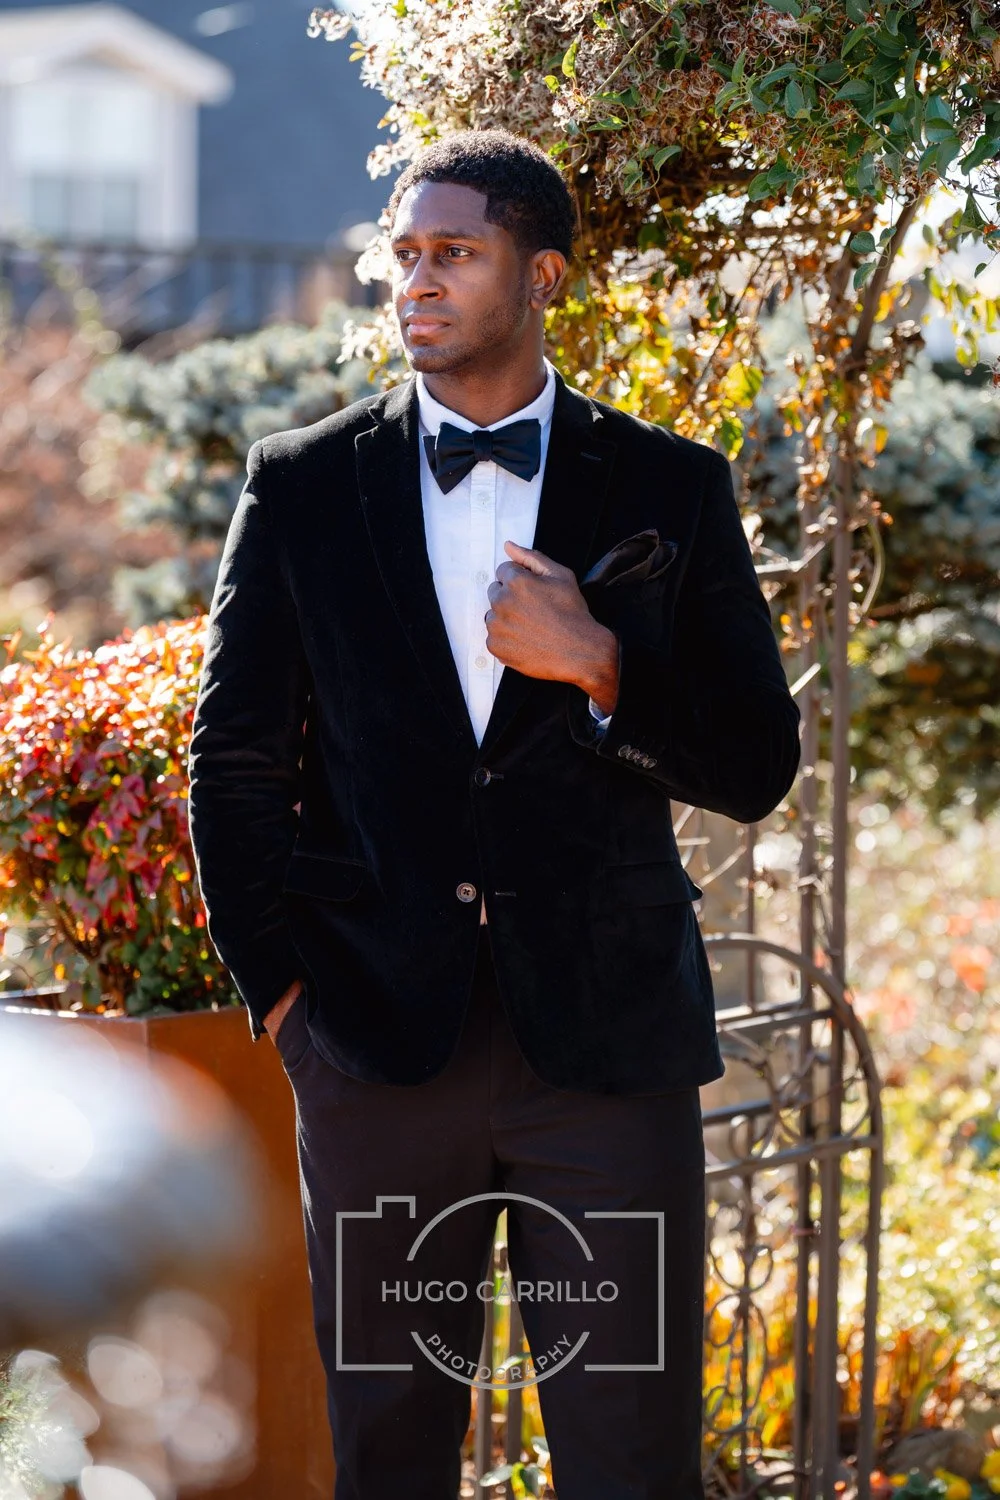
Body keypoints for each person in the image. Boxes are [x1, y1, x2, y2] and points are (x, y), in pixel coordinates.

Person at [187, 128, 800, 1500]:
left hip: (609, 1059)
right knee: (391, 1456)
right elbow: (229, 769)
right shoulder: (301, 485)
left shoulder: (669, 488)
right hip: (376, 1049)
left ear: (544, 279)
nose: (417, 281)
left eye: (454, 254)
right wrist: (290, 1001)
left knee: (632, 1458)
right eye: (404, 256)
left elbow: (757, 759)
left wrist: (599, 667)